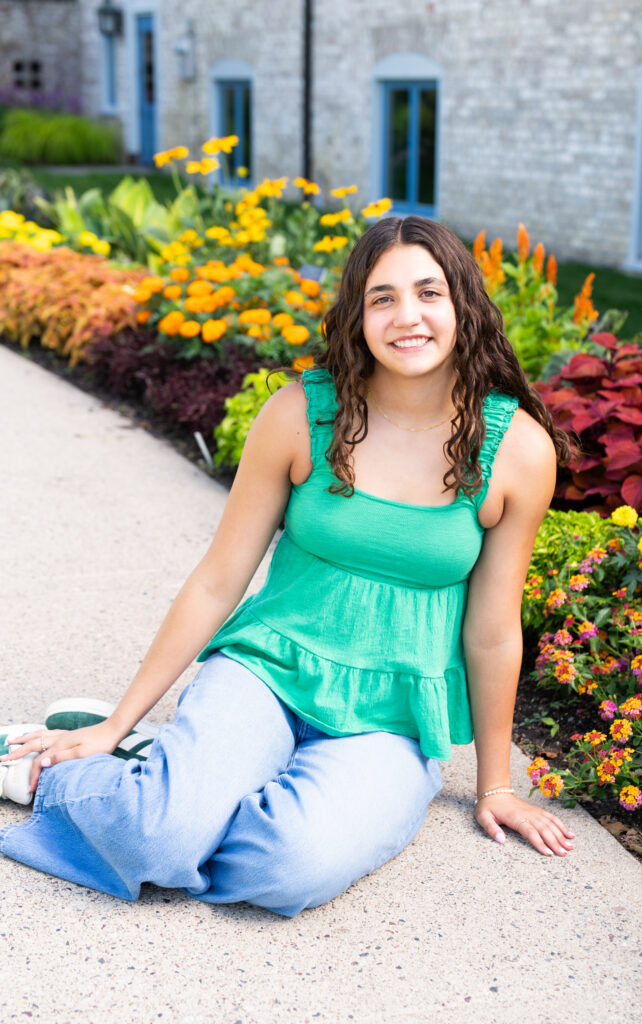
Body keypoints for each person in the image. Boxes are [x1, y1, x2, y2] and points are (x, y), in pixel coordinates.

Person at [0, 215, 576, 917]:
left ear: (463, 305)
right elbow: (219, 578)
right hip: (268, 670)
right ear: (357, 317)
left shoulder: (514, 450)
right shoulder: (301, 414)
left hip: (391, 717)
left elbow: (491, 632)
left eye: (428, 293)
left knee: (289, 868)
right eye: (382, 298)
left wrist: (495, 787)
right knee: (161, 835)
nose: (408, 317)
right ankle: (67, 777)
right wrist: (118, 721)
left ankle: (173, 783)